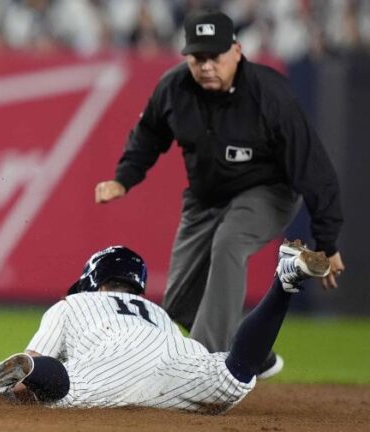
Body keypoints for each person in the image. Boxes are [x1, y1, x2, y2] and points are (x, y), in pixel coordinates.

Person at [93, 10, 345, 370]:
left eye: (216, 56)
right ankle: (251, 350)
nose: (207, 65)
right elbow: (149, 134)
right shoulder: (174, 87)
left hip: (268, 190)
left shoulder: (268, 93)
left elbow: (313, 168)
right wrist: (124, 177)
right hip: (206, 197)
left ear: (237, 51)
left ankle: (202, 362)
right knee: (178, 302)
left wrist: (328, 241)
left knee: (230, 241)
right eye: (198, 57)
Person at [0, 240, 330, 413]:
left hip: (111, 365)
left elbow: (35, 362)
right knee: (232, 376)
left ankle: (31, 372)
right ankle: (284, 282)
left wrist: (12, 390)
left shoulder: (74, 302)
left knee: (54, 392)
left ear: (94, 283)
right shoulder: (157, 311)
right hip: (177, 361)